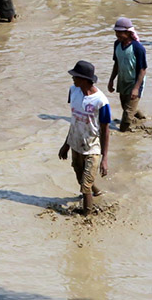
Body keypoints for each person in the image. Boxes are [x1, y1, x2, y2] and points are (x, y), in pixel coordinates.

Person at [58, 60, 110, 215]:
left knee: (84, 187)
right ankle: (98, 192)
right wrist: (66, 145)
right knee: (80, 176)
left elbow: (105, 130)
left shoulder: (101, 101)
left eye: (76, 76)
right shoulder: (73, 91)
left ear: (85, 79)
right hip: (75, 143)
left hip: (92, 146)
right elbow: (74, 121)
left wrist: (104, 158)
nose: (73, 79)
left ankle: (87, 215)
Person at [108, 17, 147, 132]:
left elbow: (143, 69)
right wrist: (111, 80)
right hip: (123, 80)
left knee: (127, 115)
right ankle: (142, 119)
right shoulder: (117, 44)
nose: (117, 35)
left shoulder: (137, 48)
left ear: (128, 32)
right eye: (116, 32)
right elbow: (116, 64)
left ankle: (123, 132)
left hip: (135, 82)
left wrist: (136, 88)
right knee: (126, 106)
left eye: (120, 33)